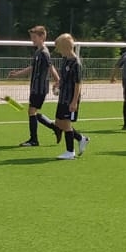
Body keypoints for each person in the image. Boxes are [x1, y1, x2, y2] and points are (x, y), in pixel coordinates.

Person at [7, 25, 58, 147]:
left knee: (32, 111)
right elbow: (31, 68)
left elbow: (51, 67)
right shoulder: (38, 52)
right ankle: (54, 128)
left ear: (42, 37)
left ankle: (34, 139)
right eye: (32, 37)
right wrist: (17, 74)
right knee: (33, 112)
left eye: (34, 37)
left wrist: (57, 81)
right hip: (35, 87)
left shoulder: (44, 53)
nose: (32, 40)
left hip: (40, 88)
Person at [51, 32, 89, 160]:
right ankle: (81, 138)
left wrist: (74, 102)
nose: (58, 51)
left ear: (66, 47)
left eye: (59, 48)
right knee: (58, 122)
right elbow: (64, 77)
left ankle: (70, 152)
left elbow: (78, 84)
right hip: (63, 97)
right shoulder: (65, 60)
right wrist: (58, 84)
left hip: (70, 99)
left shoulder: (76, 63)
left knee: (66, 125)